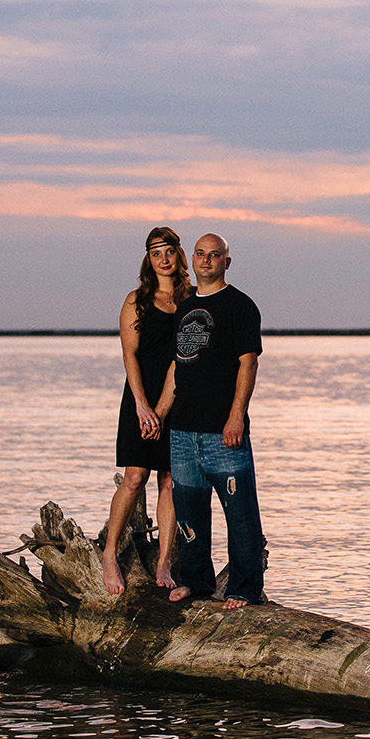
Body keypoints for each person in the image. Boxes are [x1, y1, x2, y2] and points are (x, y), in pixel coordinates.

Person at [158, 232, 267, 609]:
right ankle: (196, 581)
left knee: (240, 516)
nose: (206, 261)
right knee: (190, 514)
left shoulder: (240, 306)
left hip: (224, 432)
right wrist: (159, 414)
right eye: (201, 254)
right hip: (183, 431)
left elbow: (248, 362)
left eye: (214, 255)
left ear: (226, 262)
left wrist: (237, 415)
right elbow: (177, 365)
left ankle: (244, 588)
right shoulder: (185, 306)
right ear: (194, 259)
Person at [101, 226, 193, 596]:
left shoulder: (191, 300)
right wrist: (142, 406)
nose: (164, 259)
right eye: (156, 253)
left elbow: (183, 357)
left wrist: (162, 408)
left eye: (169, 251)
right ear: (148, 259)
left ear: (178, 254)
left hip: (178, 395)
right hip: (139, 393)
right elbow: (129, 354)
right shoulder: (136, 299)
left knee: (170, 479)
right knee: (135, 476)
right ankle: (109, 554)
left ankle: (164, 561)